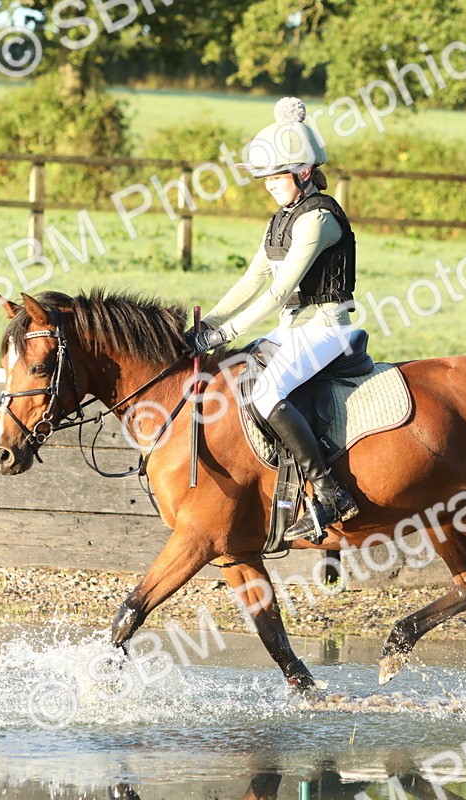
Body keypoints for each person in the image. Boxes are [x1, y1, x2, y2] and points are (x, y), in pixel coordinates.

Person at [187, 96, 360, 543]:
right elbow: (252, 280)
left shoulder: (318, 219)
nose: (268, 186)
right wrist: (206, 327)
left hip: (326, 329)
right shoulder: (281, 220)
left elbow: (280, 291)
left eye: (276, 177)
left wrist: (223, 333)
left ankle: (331, 491)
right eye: (265, 178)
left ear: (304, 172)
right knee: (236, 373)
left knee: (266, 393)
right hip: (292, 331)